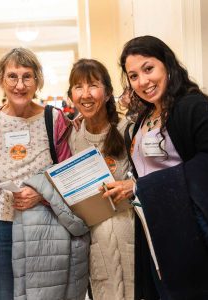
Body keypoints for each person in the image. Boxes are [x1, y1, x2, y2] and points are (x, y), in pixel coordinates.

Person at [104, 35, 208, 299]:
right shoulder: (144, 117)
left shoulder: (193, 106)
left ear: (167, 64)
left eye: (148, 69)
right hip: (156, 231)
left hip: (190, 235)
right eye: (133, 75)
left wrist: (141, 186)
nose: (142, 82)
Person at [0, 48, 89, 300]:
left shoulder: (54, 119)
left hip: (45, 223)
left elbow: (68, 174)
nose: (19, 85)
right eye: (12, 77)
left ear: (37, 81)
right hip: (1, 228)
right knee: (4, 295)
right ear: (1, 80)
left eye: (27, 76)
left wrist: (41, 194)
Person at [67, 58, 135, 300]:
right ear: (71, 96)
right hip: (92, 246)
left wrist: (133, 186)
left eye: (93, 85)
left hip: (132, 239)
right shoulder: (71, 137)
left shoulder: (129, 129)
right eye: (78, 87)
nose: (86, 94)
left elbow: (149, 179)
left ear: (107, 93)